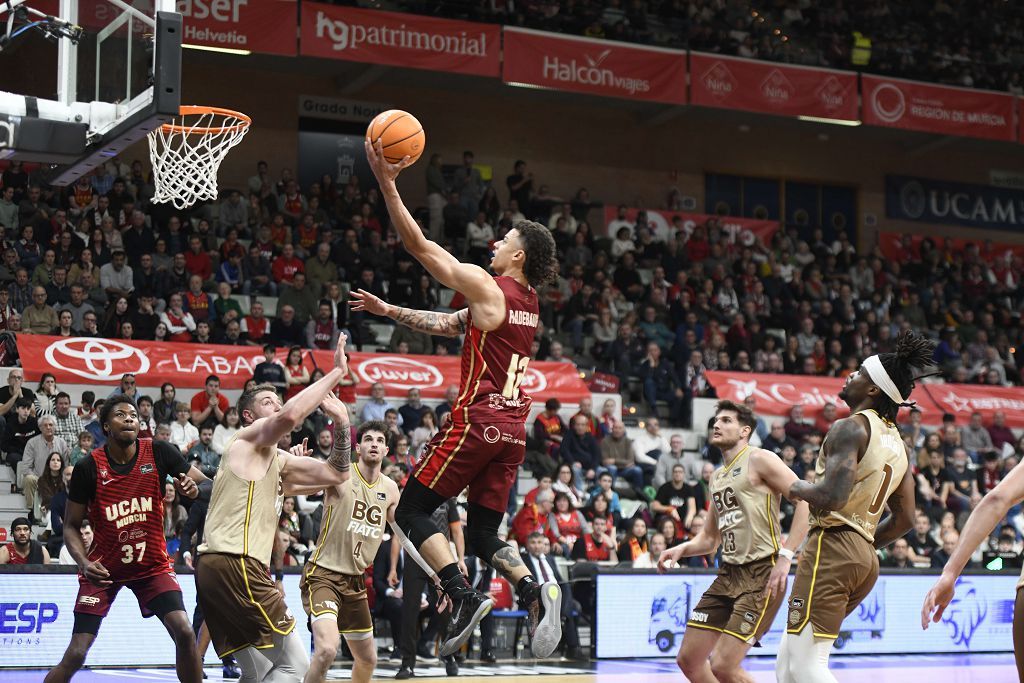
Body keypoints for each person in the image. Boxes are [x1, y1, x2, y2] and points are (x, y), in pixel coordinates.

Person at [354, 137, 560, 658]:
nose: (494, 243)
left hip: (479, 420)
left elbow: (420, 247)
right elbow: (450, 324)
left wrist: (387, 184)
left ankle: (460, 593)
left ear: (518, 255)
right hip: (513, 430)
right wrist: (391, 311)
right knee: (487, 532)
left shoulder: (491, 286)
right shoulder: (528, 303)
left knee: (410, 510)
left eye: (504, 239)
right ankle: (534, 590)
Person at [196, 337, 358, 682]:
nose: (277, 406)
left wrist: (342, 423)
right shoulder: (246, 439)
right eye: (268, 402)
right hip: (236, 563)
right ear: (249, 415)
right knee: (295, 667)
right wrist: (337, 373)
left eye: (277, 400)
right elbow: (292, 415)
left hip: (219, 568)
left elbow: (337, 475)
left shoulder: (278, 461)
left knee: (256, 674)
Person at [777, 332, 934, 683]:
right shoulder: (898, 443)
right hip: (863, 554)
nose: (851, 374)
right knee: (787, 665)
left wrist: (795, 487)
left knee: (806, 666)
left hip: (832, 546)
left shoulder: (850, 427)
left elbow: (833, 497)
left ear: (874, 389)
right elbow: (906, 518)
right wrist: (861, 542)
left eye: (861, 372)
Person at [45, 395, 207, 683]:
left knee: (184, 631)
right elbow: (70, 525)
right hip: (105, 569)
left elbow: (202, 483)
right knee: (77, 653)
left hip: (151, 567)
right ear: (106, 426)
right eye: (121, 415)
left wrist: (193, 490)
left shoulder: (159, 451)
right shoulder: (88, 468)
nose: (130, 418)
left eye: (133, 414)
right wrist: (83, 562)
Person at [658, 400, 810, 683]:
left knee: (723, 666)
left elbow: (805, 502)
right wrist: (681, 548)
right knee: (689, 660)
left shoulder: (760, 458)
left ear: (744, 431)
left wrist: (787, 555)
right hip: (728, 574)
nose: (717, 425)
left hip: (762, 574)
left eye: (726, 420)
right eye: (716, 421)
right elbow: (710, 538)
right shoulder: (716, 476)